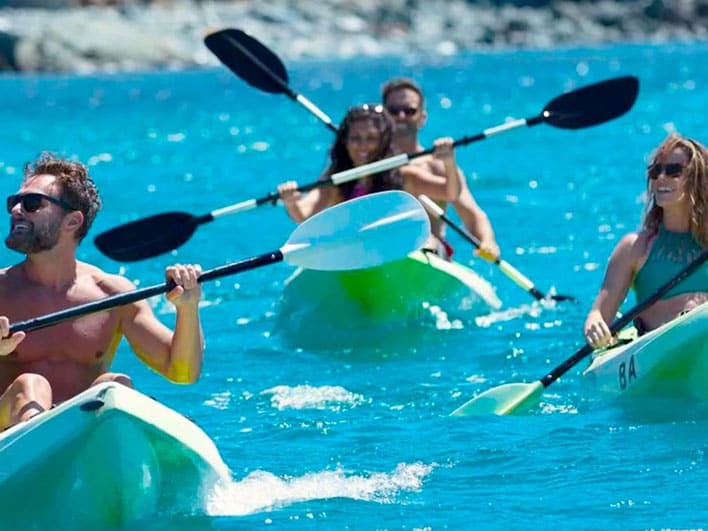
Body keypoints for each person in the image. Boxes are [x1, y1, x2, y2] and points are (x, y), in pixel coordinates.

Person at [0, 152, 204, 431]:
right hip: (13, 441)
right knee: (30, 384)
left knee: (114, 386)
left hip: (87, 436)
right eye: (14, 202)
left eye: (32, 203)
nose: (16, 210)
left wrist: (188, 309)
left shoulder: (112, 295)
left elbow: (182, 371)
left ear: (72, 222)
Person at [584, 133, 708, 349]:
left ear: (698, 178)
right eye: (655, 171)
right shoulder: (634, 248)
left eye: (673, 171)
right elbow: (598, 315)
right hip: (656, 352)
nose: (661, 178)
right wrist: (595, 325)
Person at [277, 104, 461, 248]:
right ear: (346, 142)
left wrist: (449, 163)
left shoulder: (403, 175)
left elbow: (450, 193)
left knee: (429, 241)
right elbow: (304, 214)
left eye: (371, 138)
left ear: (383, 142)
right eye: (356, 138)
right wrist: (292, 201)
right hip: (359, 254)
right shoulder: (335, 179)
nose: (363, 146)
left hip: (409, 251)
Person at [381, 77, 500, 260]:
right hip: (378, 252)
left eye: (409, 110)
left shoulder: (439, 167)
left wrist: (487, 241)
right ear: (383, 116)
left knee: (424, 240)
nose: (401, 116)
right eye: (393, 111)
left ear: (422, 118)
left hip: (430, 253)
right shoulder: (363, 163)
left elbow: (472, 215)